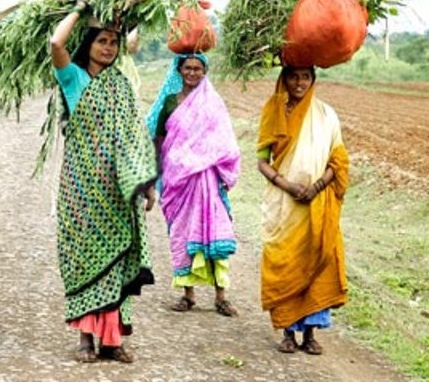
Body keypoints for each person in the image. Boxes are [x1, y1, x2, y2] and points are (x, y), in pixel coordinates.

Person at [49, 0, 158, 364]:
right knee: (86, 258)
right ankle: (85, 337)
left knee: (119, 258)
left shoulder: (121, 85)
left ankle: (113, 339)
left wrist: (146, 181)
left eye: (113, 41)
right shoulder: (73, 78)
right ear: (89, 43)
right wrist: (81, 5)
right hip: (82, 189)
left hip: (118, 190)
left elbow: (135, 134)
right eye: (102, 41)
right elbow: (55, 42)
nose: (109, 48)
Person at [256, 65, 349, 355]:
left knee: (318, 261)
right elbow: (262, 160)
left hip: (318, 205)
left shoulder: (326, 115)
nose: (299, 83)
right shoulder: (274, 110)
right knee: (285, 262)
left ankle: (310, 334)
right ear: (283, 79)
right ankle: (287, 332)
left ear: (313, 79)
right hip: (285, 205)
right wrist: (288, 185)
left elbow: (339, 160)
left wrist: (317, 187)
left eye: (305, 77)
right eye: (293, 76)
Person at [145, 53, 241, 317]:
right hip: (177, 180)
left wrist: (220, 170)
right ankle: (188, 294)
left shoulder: (212, 104)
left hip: (207, 179)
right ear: (179, 70)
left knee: (214, 233)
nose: (192, 73)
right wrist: (154, 176)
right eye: (187, 68)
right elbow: (159, 141)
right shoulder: (168, 102)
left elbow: (224, 141)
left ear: (205, 71)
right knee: (182, 234)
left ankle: (221, 296)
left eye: (198, 68)